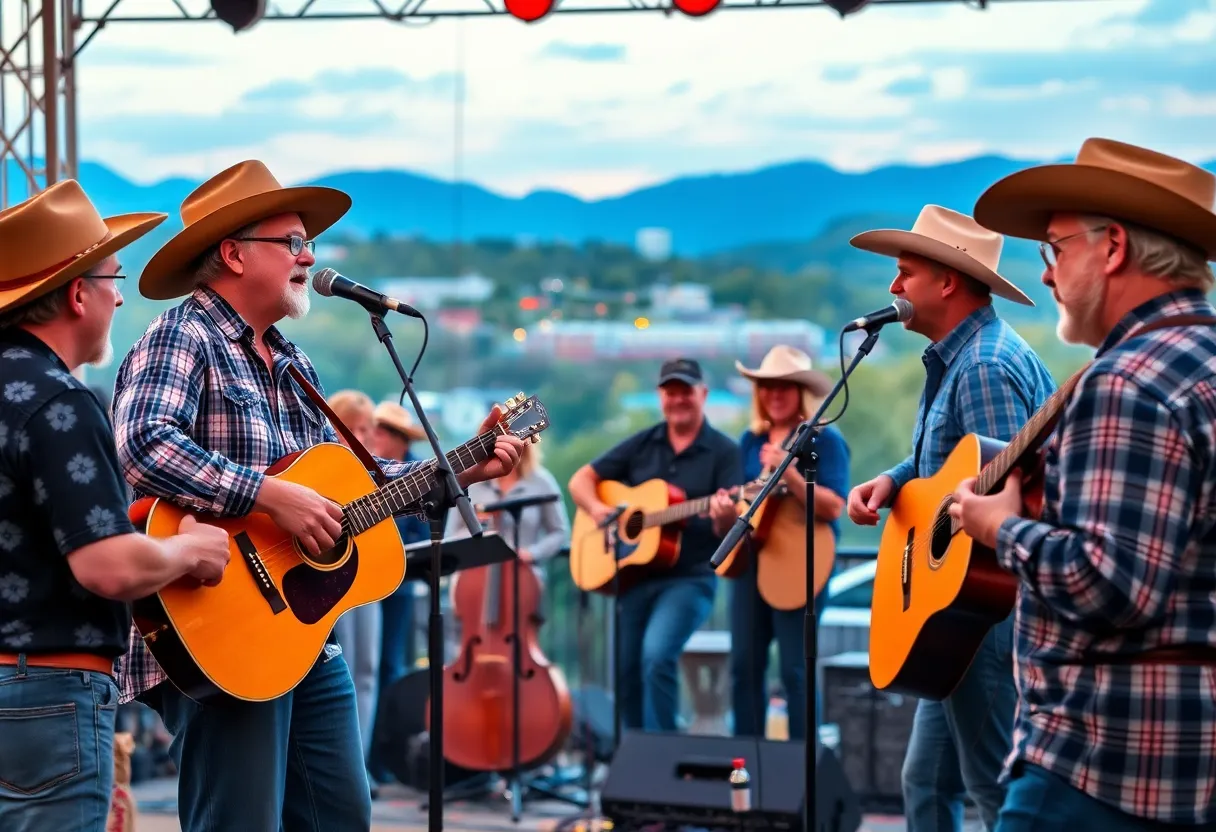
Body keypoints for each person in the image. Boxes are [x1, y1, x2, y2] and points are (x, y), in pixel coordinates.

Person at [110, 160, 522, 832]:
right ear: (233, 253)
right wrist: (269, 498)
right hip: (223, 630)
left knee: (341, 815)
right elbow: (141, 445)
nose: (309, 256)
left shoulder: (297, 364)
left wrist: (461, 470)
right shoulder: (182, 337)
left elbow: (346, 495)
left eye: (309, 244)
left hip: (302, 634)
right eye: (292, 241)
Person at [951, 138, 1216, 831]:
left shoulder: (1123, 381)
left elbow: (1110, 584)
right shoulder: (1202, 362)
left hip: (1101, 763)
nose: (1046, 276)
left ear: (1115, 246)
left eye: (1055, 249)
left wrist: (999, 529)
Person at [0, 181, 229, 831]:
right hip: (48, 697)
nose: (121, 295)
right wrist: (189, 550)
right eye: (112, 277)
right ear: (78, 294)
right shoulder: (60, 400)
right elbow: (106, 567)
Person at [844, 204, 1055, 832]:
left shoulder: (986, 366)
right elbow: (954, 464)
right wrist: (893, 479)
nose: (892, 288)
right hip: (953, 618)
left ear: (947, 282)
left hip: (981, 616)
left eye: (905, 272)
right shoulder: (960, 358)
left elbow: (997, 497)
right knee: (926, 782)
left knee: (993, 791)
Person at [568, 358, 740, 732]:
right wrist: (601, 513)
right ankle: (633, 756)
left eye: (686, 391)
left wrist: (725, 513)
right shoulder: (644, 443)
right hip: (636, 579)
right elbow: (580, 480)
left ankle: (662, 757)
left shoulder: (725, 452)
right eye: (670, 391)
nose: (678, 399)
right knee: (626, 670)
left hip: (690, 580)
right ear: (661, 396)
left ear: (703, 395)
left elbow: (731, 525)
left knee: (657, 656)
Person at [728, 345, 849, 742]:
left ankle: (800, 775)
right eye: (767, 386)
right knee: (744, 667)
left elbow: (834, 507)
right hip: (752, 561)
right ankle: (747, 769)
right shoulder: (750, 439)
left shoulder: (824, 440)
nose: (774, 394)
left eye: (784, 386)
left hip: (800, 565)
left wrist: (789, 471)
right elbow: (746, 500)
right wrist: (723, 508)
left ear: (800, 392)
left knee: (795, 671)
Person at [366, 400, 428, 785]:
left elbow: (422, 537)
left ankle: (382, 754)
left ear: (395, 438)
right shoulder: (369, 471)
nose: (374, 438)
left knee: (390, 668)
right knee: (370, 670)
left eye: (380, 432)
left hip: (399, 589)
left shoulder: (417, 475)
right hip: (367, 587)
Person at [325, 389, 383, 795]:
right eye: (358, 428)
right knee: (340, 667)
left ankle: (357, 763)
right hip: (326, 584)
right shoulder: (323, 462)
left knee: (367, 669)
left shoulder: (365, 468)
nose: (365, 436)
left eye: (369, 430)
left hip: (364, 578)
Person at [446, 438, 569, 578]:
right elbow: (451, 534)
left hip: (524, 572)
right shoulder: (470, 482)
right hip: (474, 573)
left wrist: (533, 553)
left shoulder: (542, 482)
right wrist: (479, 530)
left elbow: (559, 532)